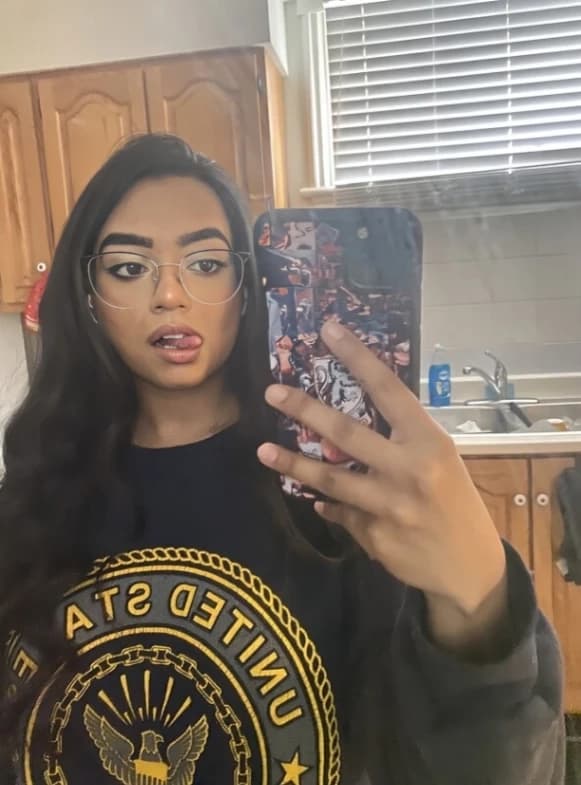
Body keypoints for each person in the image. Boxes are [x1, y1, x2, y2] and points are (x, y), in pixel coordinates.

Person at [0, 134, 563, 785]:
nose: (170, 295)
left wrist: (479, 602)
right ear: (89, 295)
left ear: (250, 287)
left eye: (205, 263)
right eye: (129, 268)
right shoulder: (32, 502)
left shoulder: (337, 490)